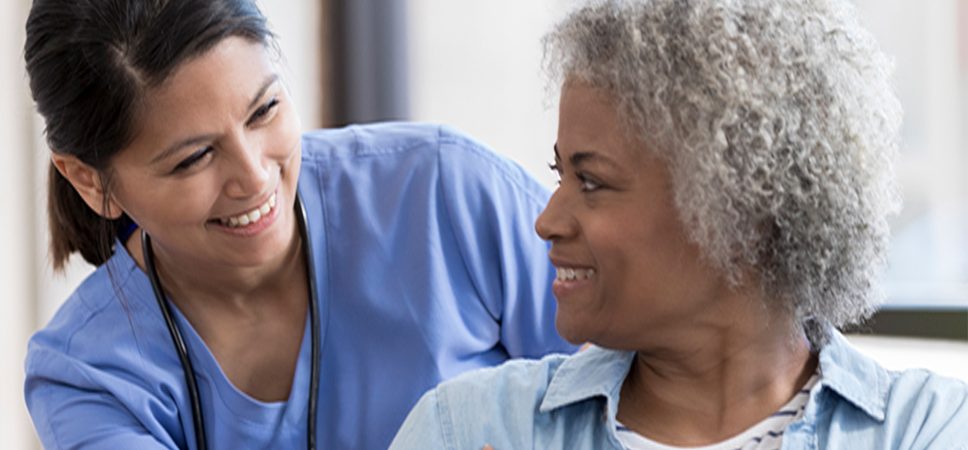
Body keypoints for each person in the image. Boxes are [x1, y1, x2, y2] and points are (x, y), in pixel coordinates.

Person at [387, 0, 968, 449]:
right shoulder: (467, 428)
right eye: (558, 173)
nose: (546, 220)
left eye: (591, 182)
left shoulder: (930, 431)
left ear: (740, 213)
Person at [21, 0, 578, 448]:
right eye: (194, 158)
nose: (255, 176)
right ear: (90, 181)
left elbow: (641, 380)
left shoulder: (443, 193)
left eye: (263, 110)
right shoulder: (88, 376)